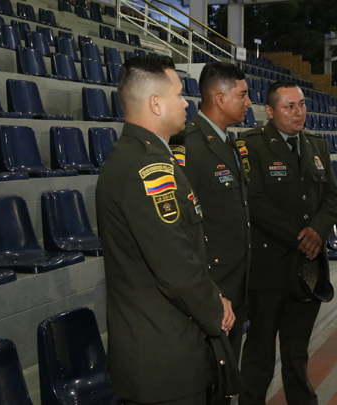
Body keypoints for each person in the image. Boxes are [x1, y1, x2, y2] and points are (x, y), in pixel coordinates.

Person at [96, 54, 234, 405]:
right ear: (155, 104)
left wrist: (214, 296)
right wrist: (216, 310)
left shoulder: (148, 158)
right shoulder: (145, 169)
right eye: (178, 95)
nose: (185, 102)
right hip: (162, 361)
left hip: (166, 348)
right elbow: (176, 268)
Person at [237, 81, 337, 405]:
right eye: (289, 106)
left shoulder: (316, 145)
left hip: (307, 269)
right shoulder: (250, 145)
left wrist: (318, 232)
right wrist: (301, 236)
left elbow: (331, 196)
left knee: (297, 356)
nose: (299, 113)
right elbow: (253, 202)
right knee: (259, 356)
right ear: (269, 111)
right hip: (268, 270)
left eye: (302, 105)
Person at [169, 62, 252, 369]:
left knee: (227, 375)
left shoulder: (231, 143)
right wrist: (207, 292)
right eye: (242, 95)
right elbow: (181, 228)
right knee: (207, 377)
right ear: (219, 98)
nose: (249, 102)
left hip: (235, 283)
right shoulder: (186, 145)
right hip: (211, 288)